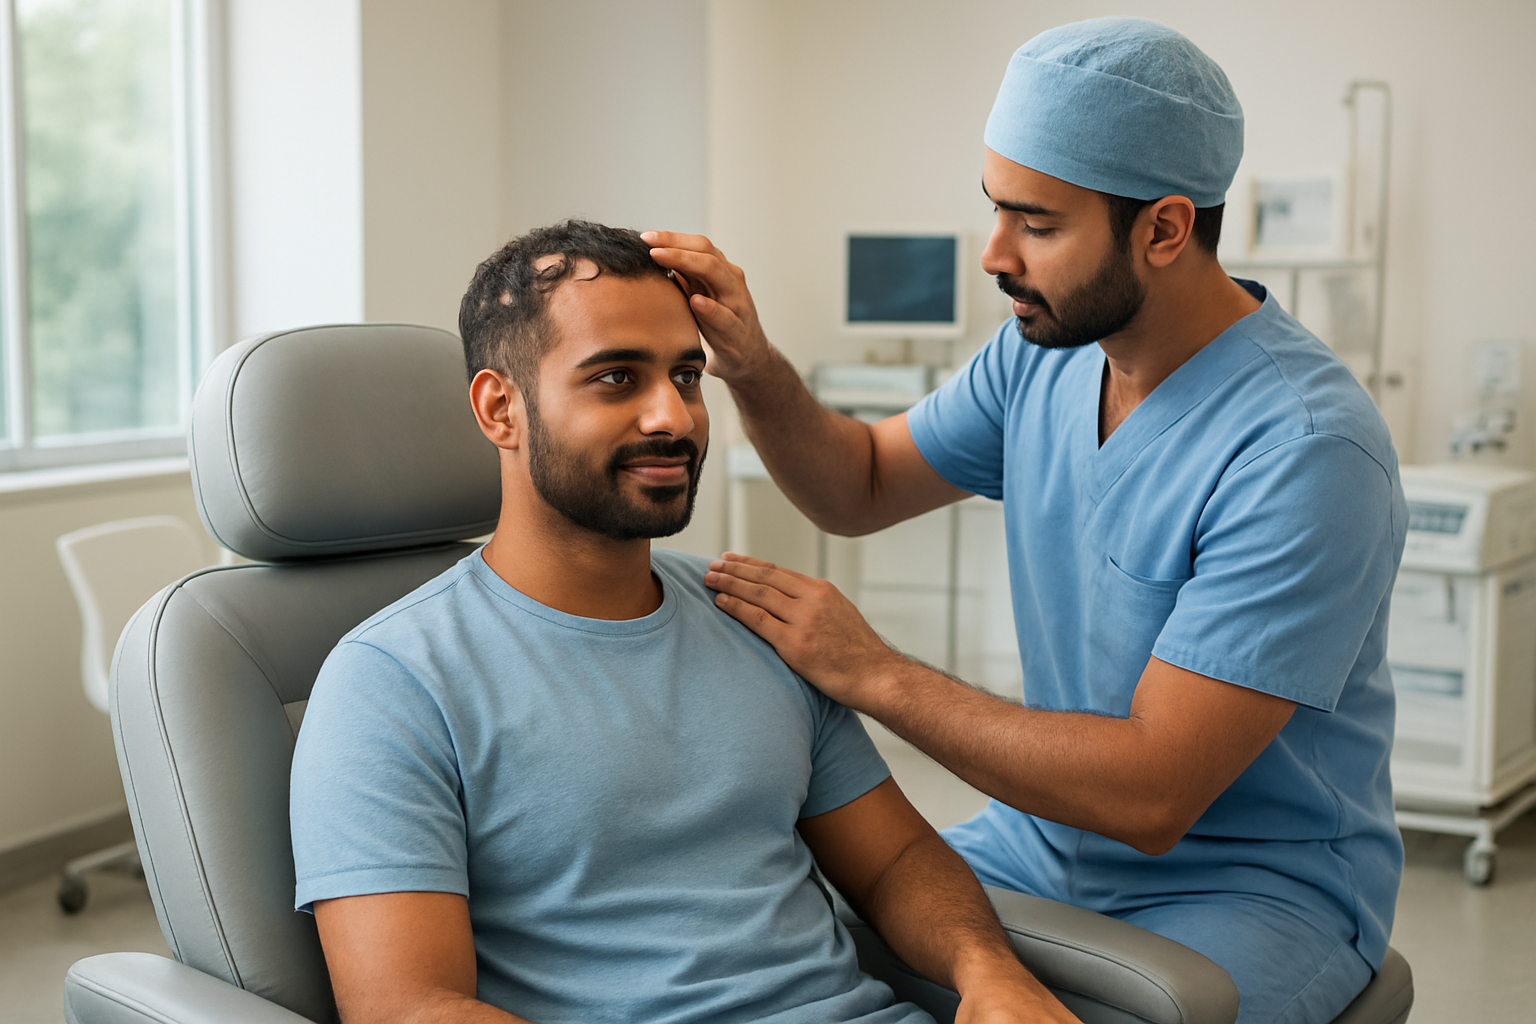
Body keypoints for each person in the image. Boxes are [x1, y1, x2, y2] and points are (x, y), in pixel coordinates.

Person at [644, 16, 1406, 1024]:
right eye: (995, 208)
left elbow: (1150, 793)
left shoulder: (1305, 449)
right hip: (1040, 844)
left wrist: (873, 670)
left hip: (1254, 892)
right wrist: (750, 361)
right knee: (764, 951)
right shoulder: (1044, 354)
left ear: (1165, 230)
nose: (995, 253)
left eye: (1037, 225)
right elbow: (858, 483)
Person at [288, 220, 1079, 1024]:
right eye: (616, 378)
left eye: (688, 375)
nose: (673, 416)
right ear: (501, 410)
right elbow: (412, 1007)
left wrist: (989, 973)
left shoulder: (754, 614)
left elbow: (896, 862)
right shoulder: (392, 681)